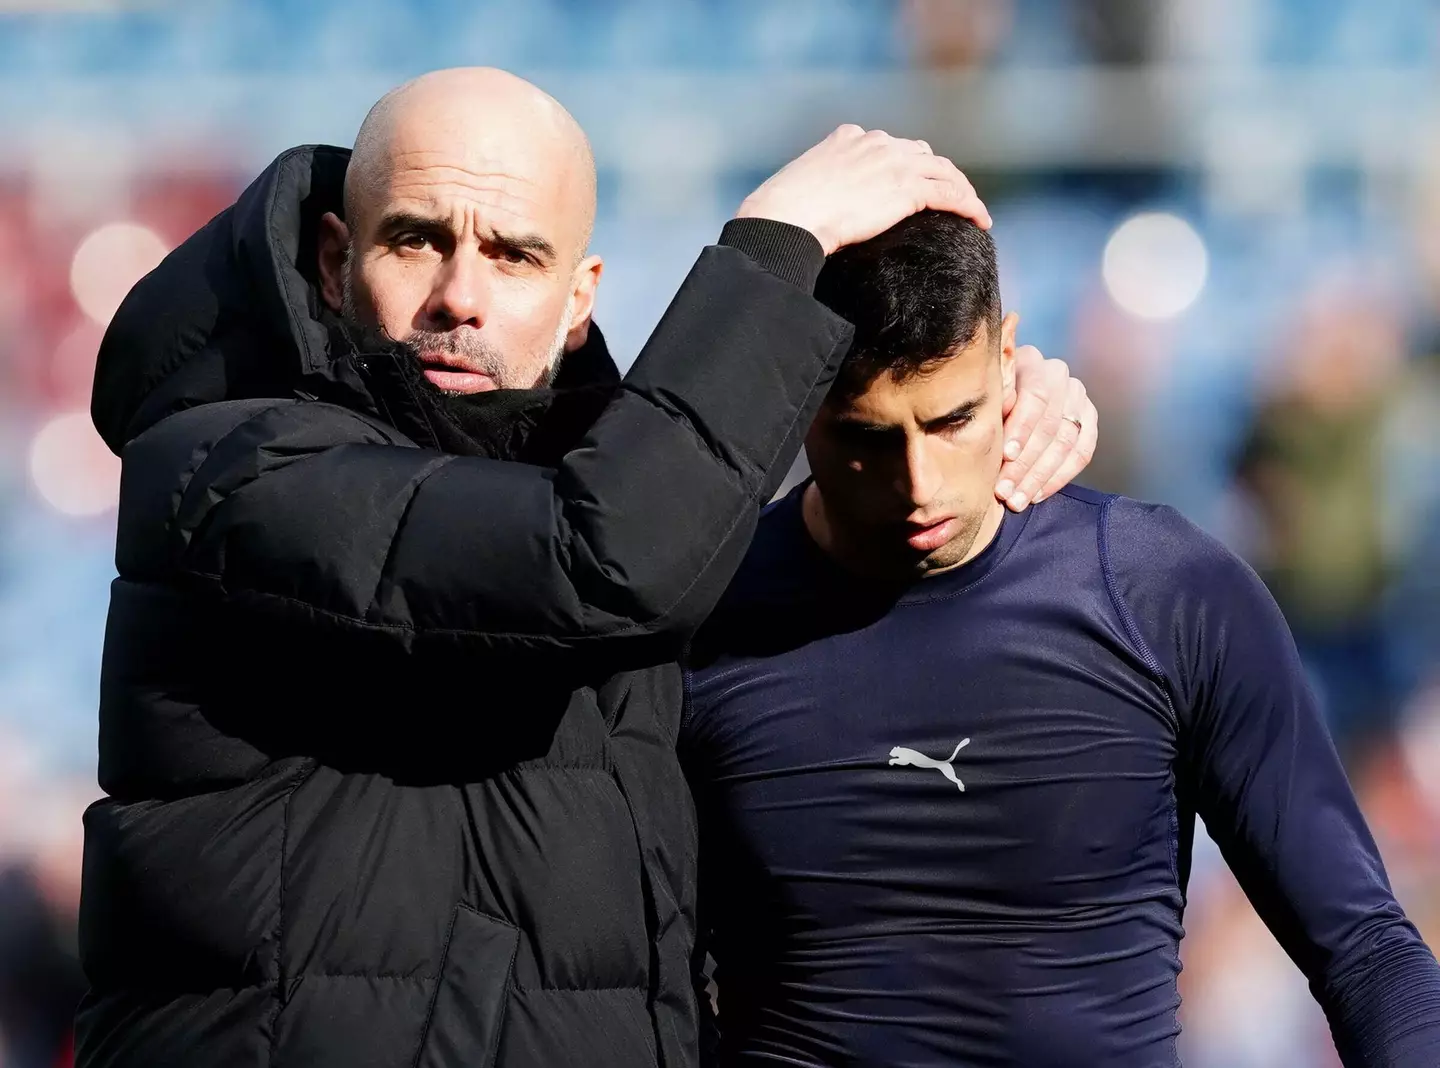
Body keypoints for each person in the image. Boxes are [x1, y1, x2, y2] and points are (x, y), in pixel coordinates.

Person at [78, 68, 1094, 1068]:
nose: (458, 296)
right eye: (416, 239)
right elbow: (601, 560)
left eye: (514, 255)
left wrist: (994, 426)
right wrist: (776, 248)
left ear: (579, 300)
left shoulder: (608, 494)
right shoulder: (228, 468)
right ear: (337, 262)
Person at [682, 211, 1440, 1067]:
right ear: (799, 400)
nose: (918, 484)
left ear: (1008, 359)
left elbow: (1369, 952)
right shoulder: (699, 617)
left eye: (952, 420)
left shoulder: (1168, 596)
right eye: (867, 437)